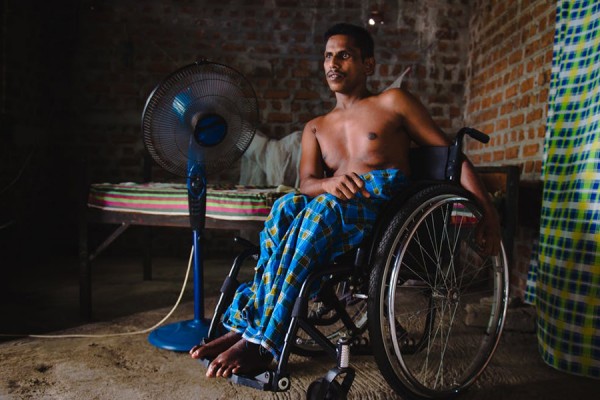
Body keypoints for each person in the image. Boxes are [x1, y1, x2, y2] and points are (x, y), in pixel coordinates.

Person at [189, 22, 501, 378]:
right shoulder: (316, 127)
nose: (333, 64)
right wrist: (330, 183)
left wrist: (487, 213)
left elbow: (452, 158)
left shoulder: (392, 102)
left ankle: (263, 342)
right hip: (333, 208)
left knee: (322, 209)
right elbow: (307, 182)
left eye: (344, 55)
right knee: (285, 207)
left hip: (382, 212)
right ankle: (246, 325)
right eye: (327, 56)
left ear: (367, 65)